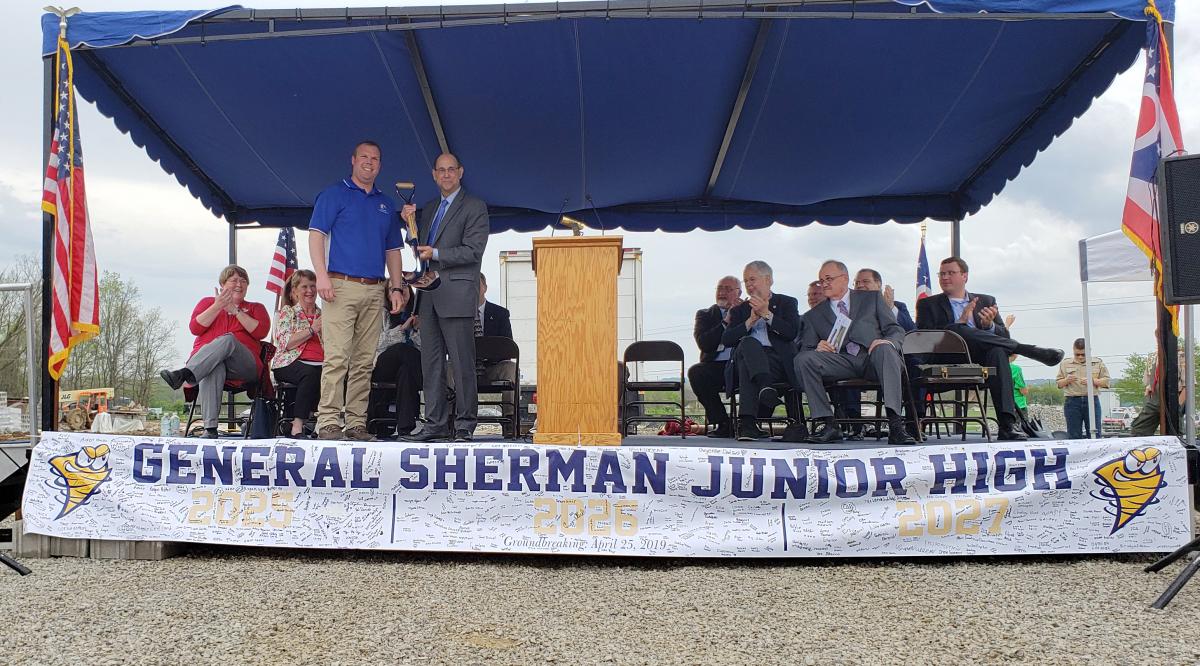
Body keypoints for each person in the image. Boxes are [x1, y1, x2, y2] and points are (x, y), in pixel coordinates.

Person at [308, 140, 409, 442]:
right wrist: (321, 276)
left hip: (374, 287)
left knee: (365, 360)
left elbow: (393, 250)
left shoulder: (385, 203)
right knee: (337, 356)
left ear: (380, 164)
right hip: (339, 285)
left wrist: (396, 286)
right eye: (364, 157)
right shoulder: (333, 194)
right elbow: (316, 236)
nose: (369, 162)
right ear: (352, 160)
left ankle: (355, 422)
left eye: (375, 158)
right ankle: (328, 421)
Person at [915, 256, 1064, 441]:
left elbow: (1003, 337)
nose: (945, 277)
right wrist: (959, 323)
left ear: (964, 276)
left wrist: (989, 326)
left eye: (950, 273)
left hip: (979, 357)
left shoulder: (986, 300)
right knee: (957, 328)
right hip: (945, 356)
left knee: (998, 351)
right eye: (942, 274)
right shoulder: (927, 304)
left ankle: (1007, 424)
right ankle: (1027, 350)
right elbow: (925, 336)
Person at [400, 153, 490, 443]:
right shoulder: (429, 209)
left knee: (462, 364)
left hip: (458, 294)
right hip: (428, 297)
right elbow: (419, 248)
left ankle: (464, 425)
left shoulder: (475, 207)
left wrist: (436, 254)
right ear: (434, 175)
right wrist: (409, 224)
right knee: (432, 364)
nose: (447, 174)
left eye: (452, 170)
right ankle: (435, 424)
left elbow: (473, 250)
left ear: (460, 172)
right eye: (442, 170)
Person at [795, 260, 915, 445]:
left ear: (844, 279)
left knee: (885, 349)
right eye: (821, 280)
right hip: (839, 361)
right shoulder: (814, 315)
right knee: (804, 359)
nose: (824, 283)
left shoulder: (872, 299)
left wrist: (888, 341)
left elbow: (895, 329)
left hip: (873, 356)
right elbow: (807, 348)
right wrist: (818, 347)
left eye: (829, 278)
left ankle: (896, 425)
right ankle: (828, 423)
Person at [159, 265, 270, 438]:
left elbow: (260, 332)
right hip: (209, 365)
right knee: (213, 366)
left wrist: (235, 311)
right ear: (222, 284)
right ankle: (210, 429)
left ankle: (185, 374)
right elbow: (195, 328)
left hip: (244, 365)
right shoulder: (207, 303)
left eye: (243, 281)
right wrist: (218, 306)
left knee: (228, 339)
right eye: (233, 280)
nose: (239, 284)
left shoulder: (256, 308)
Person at [721, 261, 800, 441]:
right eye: (746, 281)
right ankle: (765, 387)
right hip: (750, 359)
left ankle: (747, 425)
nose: (749, 285)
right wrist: (749, 322)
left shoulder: (786, 302)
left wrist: (767, 314)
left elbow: (791, 333)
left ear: (768, 279)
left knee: (747, 364)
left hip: (777, 361)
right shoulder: (741, 309)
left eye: (752, 279)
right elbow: (727, 339)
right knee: (748, 345)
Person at [687, 276, 743, 438]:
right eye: (720, 288)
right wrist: (726, 322)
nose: (722, 292)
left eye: (728, 289)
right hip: (716, 366)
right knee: (696, 372)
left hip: (740, 365)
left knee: (761, 372)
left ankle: (747, 423)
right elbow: (704, 343)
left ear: (739, 293)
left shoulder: (747, 311)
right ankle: (723, 423)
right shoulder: (705, 314)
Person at [271, 270, 324, 437]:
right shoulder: (288, 312)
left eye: (313, 286)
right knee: (310, 374)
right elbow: (285, 343)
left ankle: (324, 424)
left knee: (335, 374)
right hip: (289, 362)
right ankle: (298, 424)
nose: (310, 291)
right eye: (305, 287)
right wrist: (311, 329)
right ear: (294, 291)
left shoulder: (324, 314)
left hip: (321, 362)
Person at [369, 284, 423, 438]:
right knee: (401, 349)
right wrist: (401, 330)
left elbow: (426, 349)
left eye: (405, 286)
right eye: (393, 288)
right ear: (387, 294)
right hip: (382, 365)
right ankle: (433, 386)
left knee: (406, 371)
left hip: (410, 369)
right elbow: (375, 343)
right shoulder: (380, 313)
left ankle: (406, 427)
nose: (402, 291)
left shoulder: (419, 314)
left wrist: (417, 330)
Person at [475, 273, 517, 424]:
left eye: (477, 284)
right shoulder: (458, 315)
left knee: (510, 367)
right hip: (466, 369)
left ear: (485, 288)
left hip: (493, 367)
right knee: (448, 368)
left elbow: (507, 346)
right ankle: (448, 421)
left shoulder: (500, 314)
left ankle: (509, 418)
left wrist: (488, 353)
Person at [1056, 338, 1109, 438]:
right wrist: (1066, 380)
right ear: (1073, 350)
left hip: (1092, 400)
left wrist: (1093, 381)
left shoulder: (1098, 363)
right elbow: (1059, 384)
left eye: (1083, 354)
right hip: (1072, 402)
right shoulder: (1065, 363)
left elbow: (1106, 382)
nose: (1080, 357)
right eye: (1077, 354)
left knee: (1095, 433)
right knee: (1073, 435)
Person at [1131, 349, 1187, 436]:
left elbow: (1188, 385)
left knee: (1174, 433)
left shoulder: (1181, 356)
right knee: (1138, 429)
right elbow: (1148, 382)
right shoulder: (1152, 356)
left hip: (1173, 399)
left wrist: (1178, 404)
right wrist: (1147, 398)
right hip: (1154, 399)